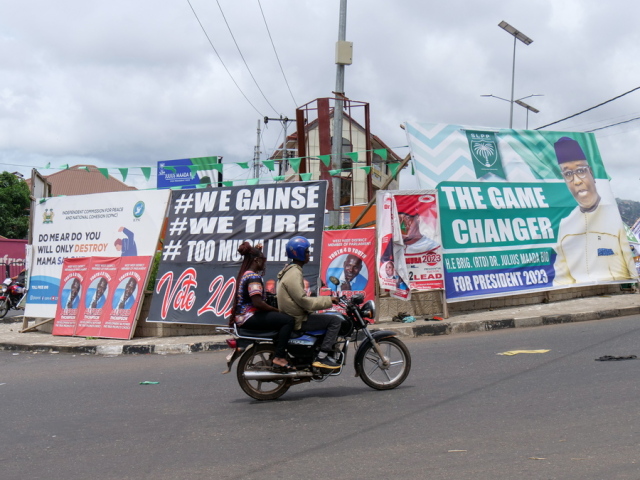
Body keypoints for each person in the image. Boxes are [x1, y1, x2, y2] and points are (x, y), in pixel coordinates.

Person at [552, 136, 637, 285]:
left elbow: (632, 270)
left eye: (581, 171)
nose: (577, 180)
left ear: (591, 173)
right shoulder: (565, 227)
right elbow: (562, 279)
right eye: (568, 174)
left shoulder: (614, 219)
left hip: (616, 295)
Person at [277, 236, 343, 370]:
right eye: (307, 251)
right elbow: (303, 301)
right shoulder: (294, 273)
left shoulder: (291, 270)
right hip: (299, 319)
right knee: (335, 321)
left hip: (296, 315)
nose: (309, 254)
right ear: (299, 253)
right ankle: (322, 357)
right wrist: (329, 300)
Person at [231, 241, 295, 370]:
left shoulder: (246, 275)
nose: (264, 263)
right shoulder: (253, 277)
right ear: (256, 260)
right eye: (262, 260)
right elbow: (258, 303)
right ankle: (279, 356)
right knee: (288, 320)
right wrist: (277, 310)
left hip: (244, 316)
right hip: (248, 317)